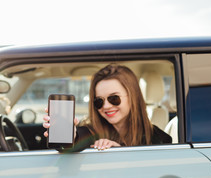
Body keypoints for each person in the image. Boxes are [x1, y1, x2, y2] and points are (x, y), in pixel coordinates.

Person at [43, 63, 172, 151]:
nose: (106, 106)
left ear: (133, 97)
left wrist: (119, 151)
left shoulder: (160, 140)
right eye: (99, 101)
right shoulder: (90, 131)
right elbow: (75, 142)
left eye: (114, 98)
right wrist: (69, 135)